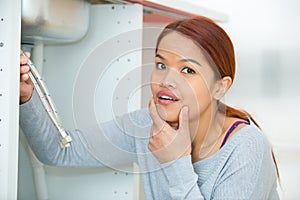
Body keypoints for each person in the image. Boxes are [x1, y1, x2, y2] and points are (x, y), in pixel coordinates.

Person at [19, 16, 279, 199]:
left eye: (188, 70)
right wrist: (26, 97)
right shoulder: (147, 126)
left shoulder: (245, 147)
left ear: (220, 87)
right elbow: (59, 151)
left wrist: (175, 161)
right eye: (161, 64)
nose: (166, 80)